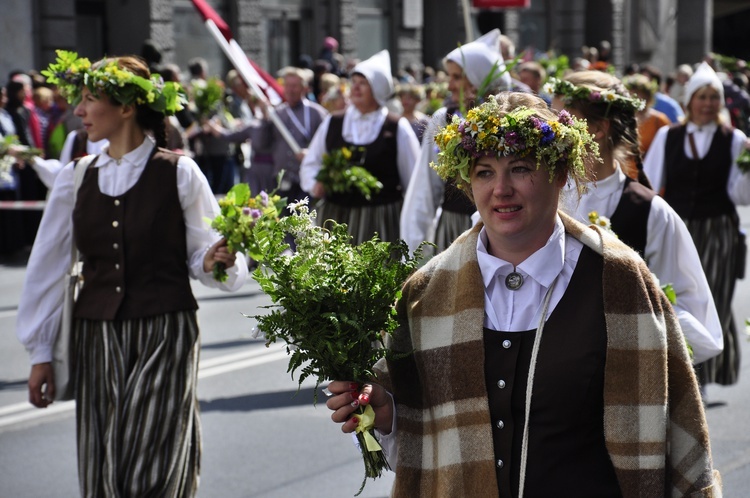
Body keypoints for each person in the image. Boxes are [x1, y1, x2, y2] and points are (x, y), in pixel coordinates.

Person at [325, 92, 720, 497]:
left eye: (519, 168)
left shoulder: (619, 280)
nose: (500, 189)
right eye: (483, 172)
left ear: (561, 172)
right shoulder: (426, 294)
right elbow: (424, 450)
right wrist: (389, 414)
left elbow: (674, 429)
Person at [16, 52, 248, 497]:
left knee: (153, 462)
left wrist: (216, 260)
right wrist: (40, 352)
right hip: (96, 332)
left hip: (165, 328)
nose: (79, 111)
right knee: (104, 459)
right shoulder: (75, 177)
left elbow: (204, 253)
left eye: (89, 99)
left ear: (126, 107)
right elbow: (47, 267)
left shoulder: (179, 172)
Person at [548, 70, 723, 365]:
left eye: (560, 119)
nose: (549, 129)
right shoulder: (541, 198)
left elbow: (693, 319)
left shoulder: (651, 213)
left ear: (599, 129)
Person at [644, 61, 750, 387]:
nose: (707, 104)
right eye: (702, 97)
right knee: (673, 295)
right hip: (677, 226)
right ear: (689, 101)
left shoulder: (733, 139)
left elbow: (740, 196)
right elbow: (651, 182)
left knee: (714, 297)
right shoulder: (668, 136)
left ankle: (704, 372)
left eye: (713, 98)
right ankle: (681, 366)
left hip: (718, 228)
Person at [400, 28, 512, 255]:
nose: (449, 85)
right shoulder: (444, 118)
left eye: (457, 77)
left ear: (479, 79)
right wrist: (414, 253)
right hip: (455, 232)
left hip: (508, 229)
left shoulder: (516, 121)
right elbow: (424, 189)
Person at [300, 50, 420, 244]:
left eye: (363, 83)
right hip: (336, 218)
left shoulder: (397, 127)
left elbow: (413, 180)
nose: (355, 87)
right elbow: (311, 162)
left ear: (378, 88)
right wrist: (315, 184)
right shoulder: (333, 122)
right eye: (353, 82)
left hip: (382, 221)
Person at [622, 73, 671, 156]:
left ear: (648, 96)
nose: (634, 97)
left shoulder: (659, 120)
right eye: (631, 93)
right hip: (625, 168)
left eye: (638, 93)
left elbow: (671, 146)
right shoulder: (622, 118)